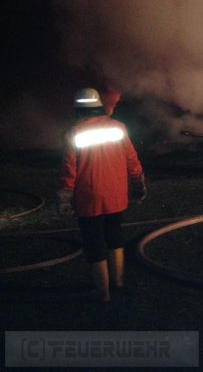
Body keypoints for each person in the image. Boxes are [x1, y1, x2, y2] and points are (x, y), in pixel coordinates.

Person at [56, 88, 146, 302]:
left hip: (89, 199)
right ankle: (118, 282)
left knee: (94, 244)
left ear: (78, 108)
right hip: (116, 196)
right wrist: (139, 184)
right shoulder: (118, 128)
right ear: (98, 105)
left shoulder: (73, 133)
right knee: (115, 238)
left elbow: (69, 171)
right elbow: (132, 160)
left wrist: (64, 198)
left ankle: (103, 293)